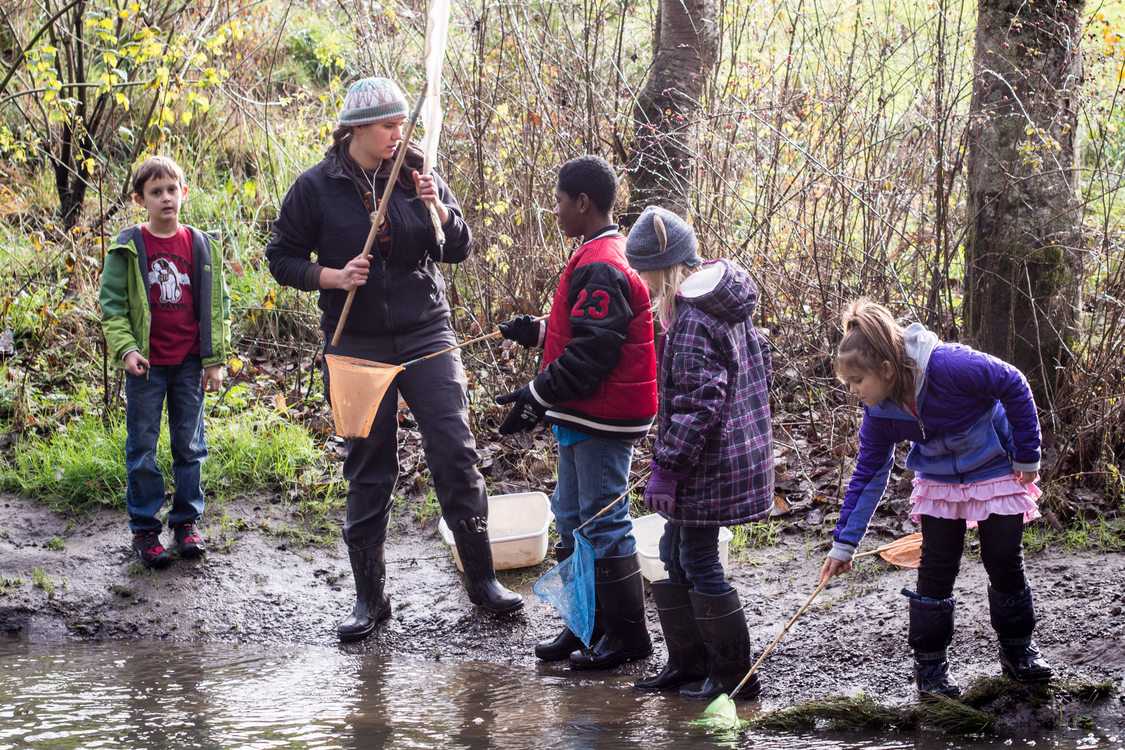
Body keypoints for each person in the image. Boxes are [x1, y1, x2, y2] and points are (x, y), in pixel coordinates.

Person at [266, 77, 522, 642]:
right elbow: (280, 257)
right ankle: (369, 598)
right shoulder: (315, 187)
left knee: (455, 453)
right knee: (367, 466)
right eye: (387, 126)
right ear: (355, 128)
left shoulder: (416, 171)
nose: (397, 135)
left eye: (402, 124)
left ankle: (482, 580)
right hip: (355, 341)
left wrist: (442, 212)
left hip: (426, 331)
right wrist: (330, 276)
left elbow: (458, 248)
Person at [819, 299, 1053, 699]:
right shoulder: (879, 414)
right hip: (940, 481)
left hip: (995, 469)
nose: (854, 392)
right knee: (937, 567)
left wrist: (1027, 454)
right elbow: (869, 475)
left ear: (887, 371)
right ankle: (930, 667)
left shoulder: (948, 366)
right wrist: (844, 544)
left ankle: (1018, 650)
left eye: (857, 381)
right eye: (849, 384)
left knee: (1003, 558)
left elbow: (1012, 382)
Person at [496, 155, 657, 669]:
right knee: (570, 518)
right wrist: (539, 333)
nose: (556, 210)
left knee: (602, 520)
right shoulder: (597, 253)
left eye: (560, 201)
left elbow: (594, 354)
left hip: (603, 417)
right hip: (583, 413)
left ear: (583, 203)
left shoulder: (602, 261)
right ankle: (585, 625)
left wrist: (535, 395)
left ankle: (628, 638)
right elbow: (587, 332)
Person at [623, 206, 775, 701]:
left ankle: (733, 678)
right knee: (672, 551)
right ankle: (689, 665)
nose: (642, 285)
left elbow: (696, 406)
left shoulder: (691, 320)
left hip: (711, 463)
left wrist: (666, 468)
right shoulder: (720, 303)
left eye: (644, 274)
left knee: (698, 557)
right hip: (728, 454)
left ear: (663, 269)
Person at [99, 155, 232, 568]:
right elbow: (113, 307)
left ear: (184, 193)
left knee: (190, 446)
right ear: (142, 200)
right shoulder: (128, 247)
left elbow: (218, 306)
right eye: (155, 192)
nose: (165, 198)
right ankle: (145, 528)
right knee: (142, 446)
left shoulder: (200, 245)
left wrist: (216, 361)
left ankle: (186, 522)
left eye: (172, 190)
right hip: (147, 366)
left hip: (190, 363)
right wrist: (127, 350)